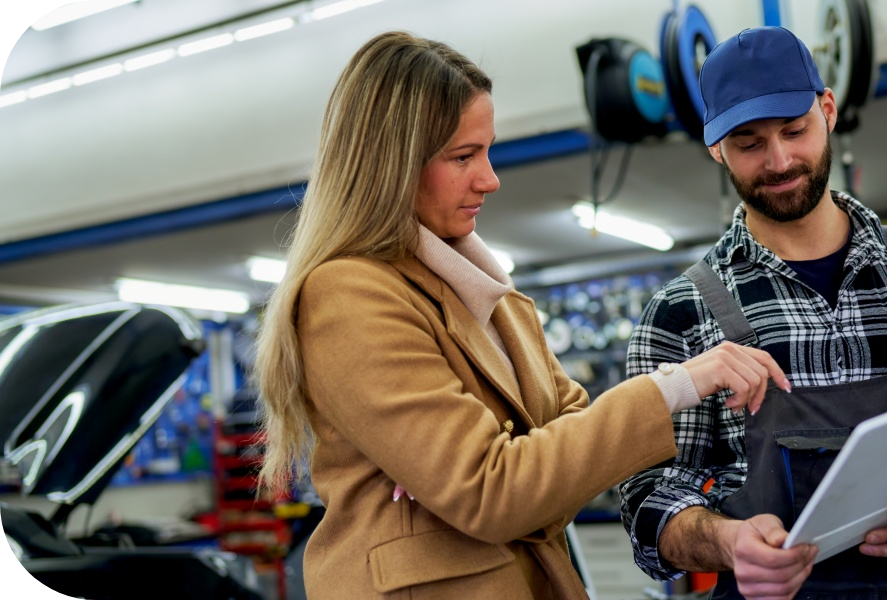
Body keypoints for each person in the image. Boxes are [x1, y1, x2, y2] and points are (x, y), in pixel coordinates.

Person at [253, 31, 793, 600]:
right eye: (463, 156)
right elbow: (494, 493)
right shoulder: (348, 294)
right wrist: (676, 384)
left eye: (487, 151)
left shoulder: (490, 296)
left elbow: (564, 446)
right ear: (392, 164)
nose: (490, 179)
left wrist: (503, 475)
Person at [618, 26, 887, 600]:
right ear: (714, 147)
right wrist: (728, 541)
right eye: (749, 142)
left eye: (794, 130)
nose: (779, 161)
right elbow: (650, 495)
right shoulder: (679, 314)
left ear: (827, 110)